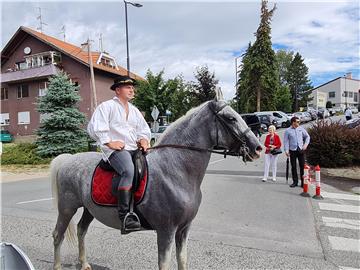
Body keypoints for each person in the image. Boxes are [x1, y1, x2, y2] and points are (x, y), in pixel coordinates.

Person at [87, 75, 151, 232]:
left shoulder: (134, 110)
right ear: (117, 90)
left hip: (133, 148)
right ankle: (125, 216)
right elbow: (95, 128)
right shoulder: (106, 106)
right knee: (128, 170)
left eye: (132, 87)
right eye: (128, 87)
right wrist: (110, 142)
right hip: (116, 150)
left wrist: (143, 140)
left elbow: (143, 130)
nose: (132, 89)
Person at [283, 116, 310, 188]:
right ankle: (295, 181)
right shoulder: (288, 131)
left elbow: (307, 137)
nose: (299, 123)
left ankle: (303, 182)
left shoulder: (301, 129)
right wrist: (286, 150)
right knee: (293, 166)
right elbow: (286, 141)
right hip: (292, 150)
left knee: (302, 166)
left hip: (301, 149)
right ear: (293, 122)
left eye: (299, 122)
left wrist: (305, 145)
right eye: (297, 122)